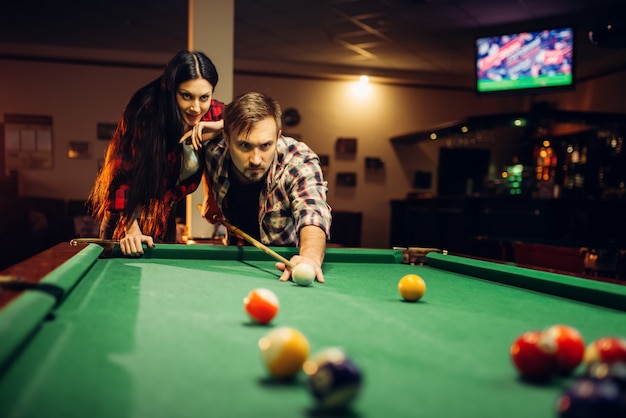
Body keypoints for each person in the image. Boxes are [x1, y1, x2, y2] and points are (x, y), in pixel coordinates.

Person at [88, 50, 225, 256]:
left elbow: (250, 120)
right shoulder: (146, 110)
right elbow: (125, 174)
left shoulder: (212, 113)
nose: (196, 107)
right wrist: (131, 228)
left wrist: (219, 126)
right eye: (186, 96)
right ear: (171, 90)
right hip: (126, 212)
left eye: (204, 97)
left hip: (163, 211)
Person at [201, 92, 331, 282]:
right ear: (226, 140)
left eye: (265, 145)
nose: (255, 159)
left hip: (283, 268)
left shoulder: (297, 160)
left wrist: (310, 257)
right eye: (244, 145)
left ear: (278, 137)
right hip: (234, 264)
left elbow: (312, 211)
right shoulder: (214, 153)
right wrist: (209, 198)